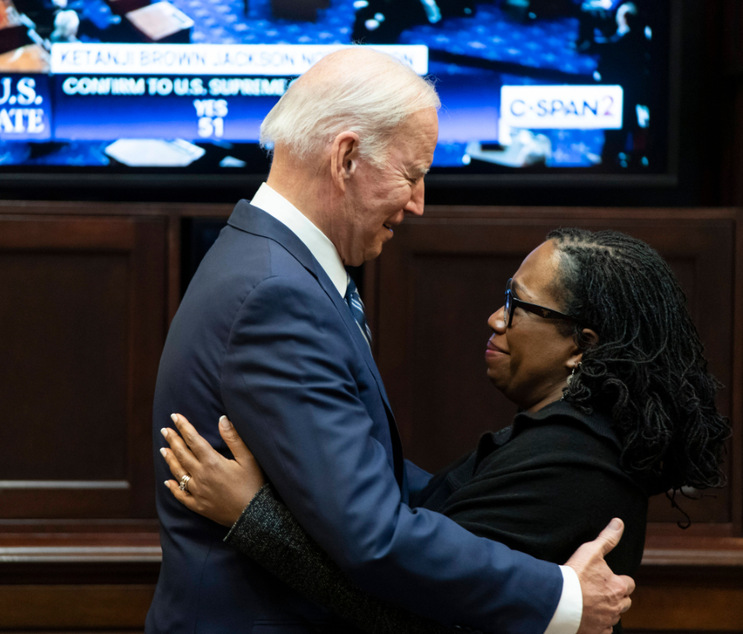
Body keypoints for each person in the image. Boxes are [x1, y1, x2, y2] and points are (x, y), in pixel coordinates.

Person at [146, 47, 634, 633]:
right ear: (346, 157)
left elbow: (356, 471)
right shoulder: (277, 295)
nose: (419, 203)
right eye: (413, 174)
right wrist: (563, 599)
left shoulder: (270, 264)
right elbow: (372, 537)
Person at [159, 228, 731, 632]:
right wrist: (300, 460)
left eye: (518, 304)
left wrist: (252, 514)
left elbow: (411, 617)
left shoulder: (575, 461)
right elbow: (429, 507)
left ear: (581, 348)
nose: (496, 318)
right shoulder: (565, 435)